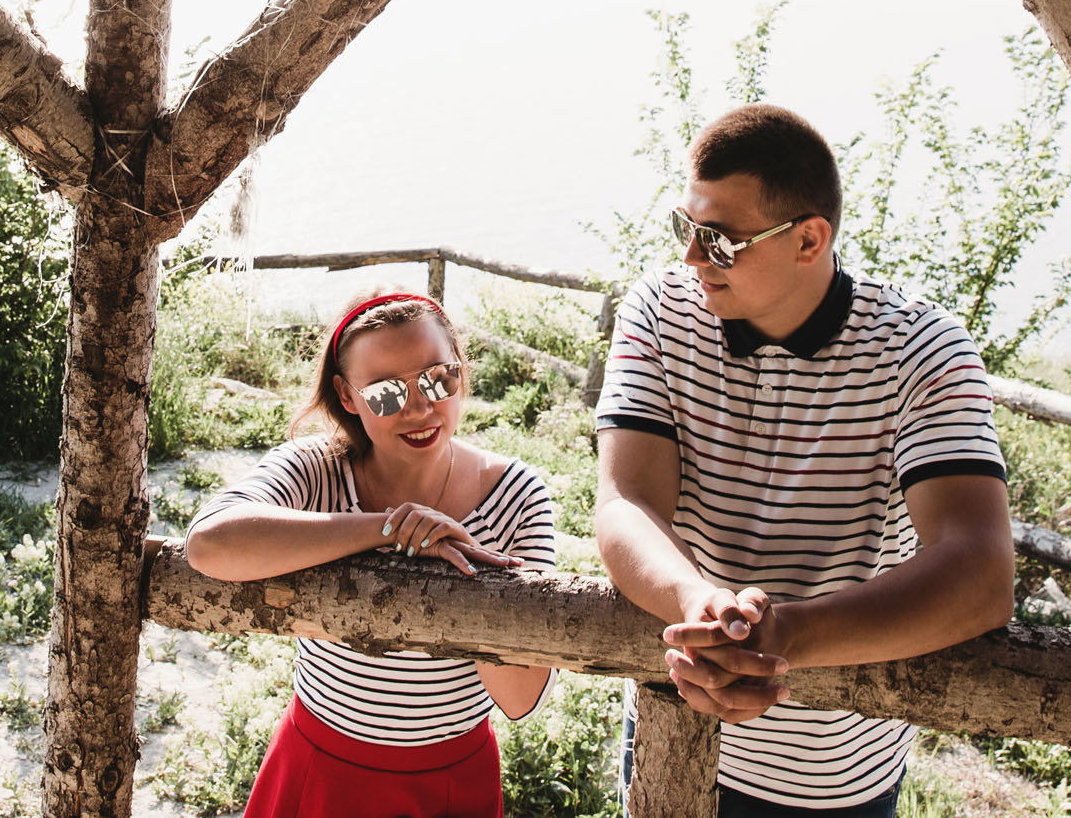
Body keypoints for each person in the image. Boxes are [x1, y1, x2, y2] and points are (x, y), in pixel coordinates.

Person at [593, 105, 1016, 817]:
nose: (693, 258)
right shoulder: (662, 311)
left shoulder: (921, 348)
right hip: (670, 724)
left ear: (810, 239)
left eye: (720, 242)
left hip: (834, 773)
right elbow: (625, 499)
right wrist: (701, 604)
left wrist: (784, 638)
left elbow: (980, 573)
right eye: (684, 228)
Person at [186, 291, 557, 818]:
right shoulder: (317, 468)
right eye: (384, 393)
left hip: (451, 782)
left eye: (438, 378)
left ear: (461, 369)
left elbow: (521, 698)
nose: (419, 408)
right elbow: (209, 543)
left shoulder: (518, 495)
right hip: (319, 767)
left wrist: (465, 578)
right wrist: (387, 529)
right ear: (347, 395)